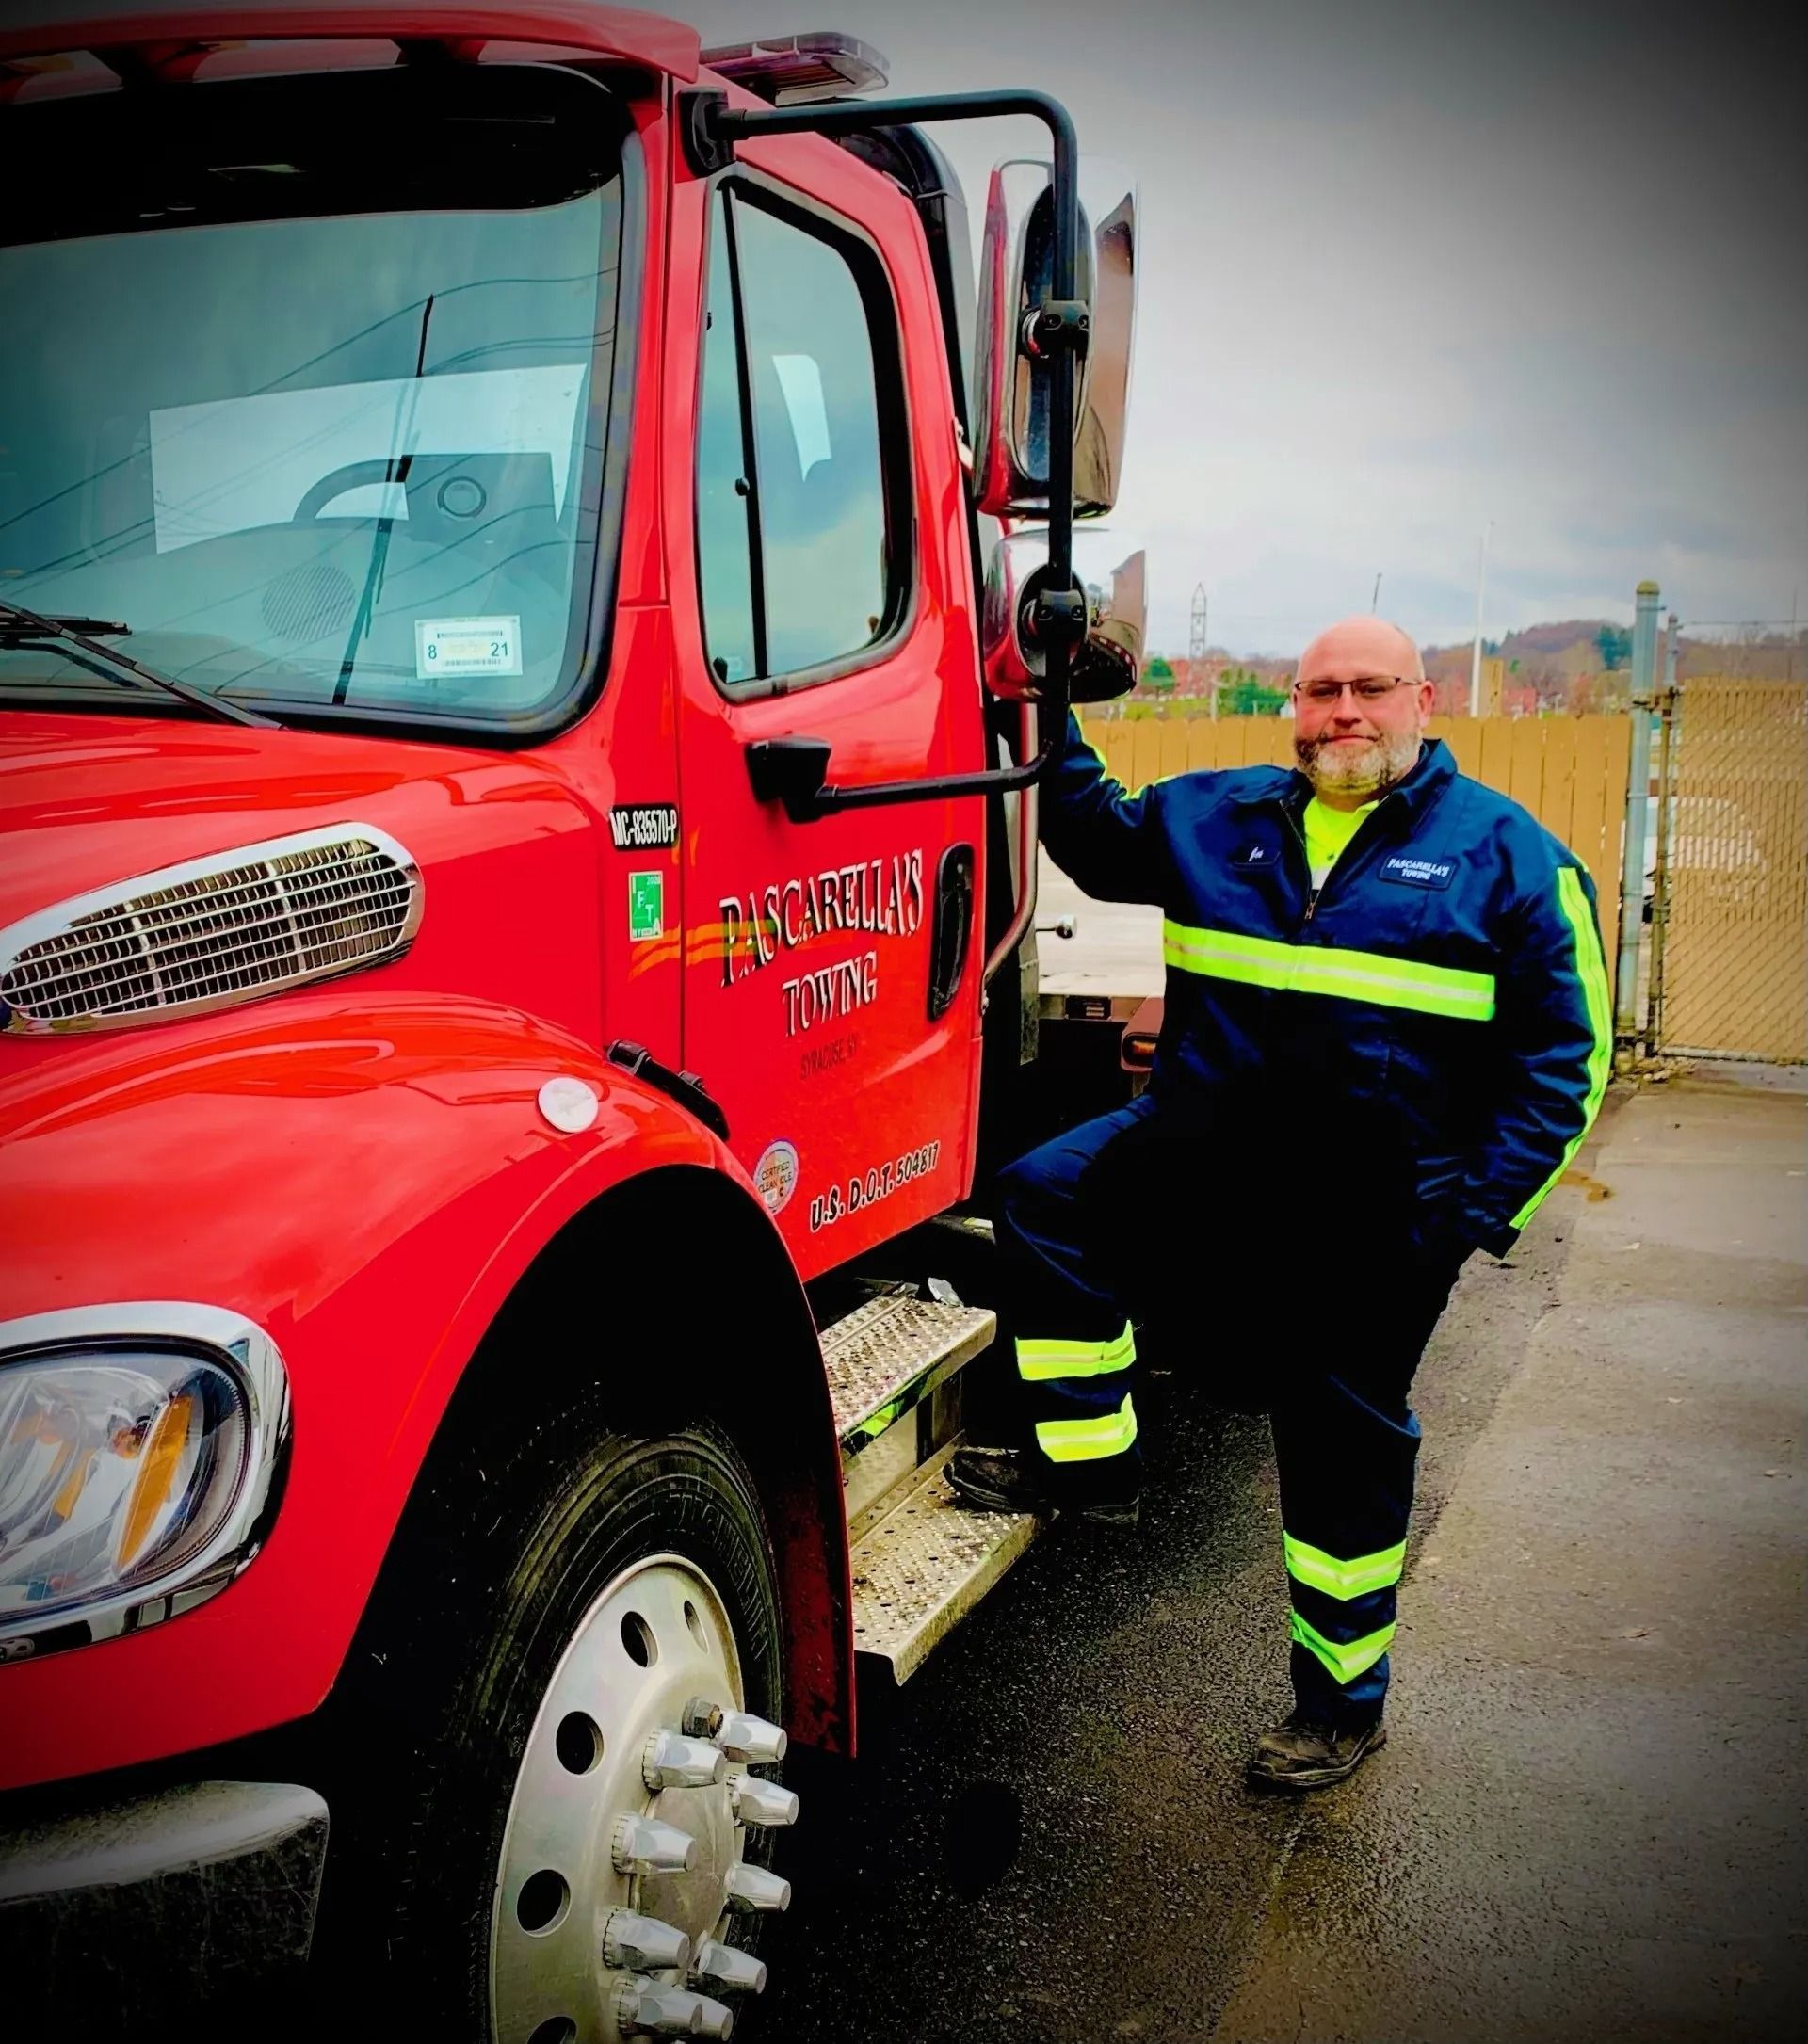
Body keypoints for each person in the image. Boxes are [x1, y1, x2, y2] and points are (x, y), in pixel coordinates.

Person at [949, 615, 1612, 1790]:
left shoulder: (1510, 856)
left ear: (1420, 700)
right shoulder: (1220, 818)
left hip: (1375, 1216)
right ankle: (1092, 1458)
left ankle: (1339, 1705)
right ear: (1292, 706)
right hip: (1200, 1158)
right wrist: (1045, 694)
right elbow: (1093, 825)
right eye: (1320, 691)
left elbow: (1571, 1058)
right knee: (1043, 1197)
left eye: (1369, 689)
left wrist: (1469, 1217)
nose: (1343, 712)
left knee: (1335, 1449)